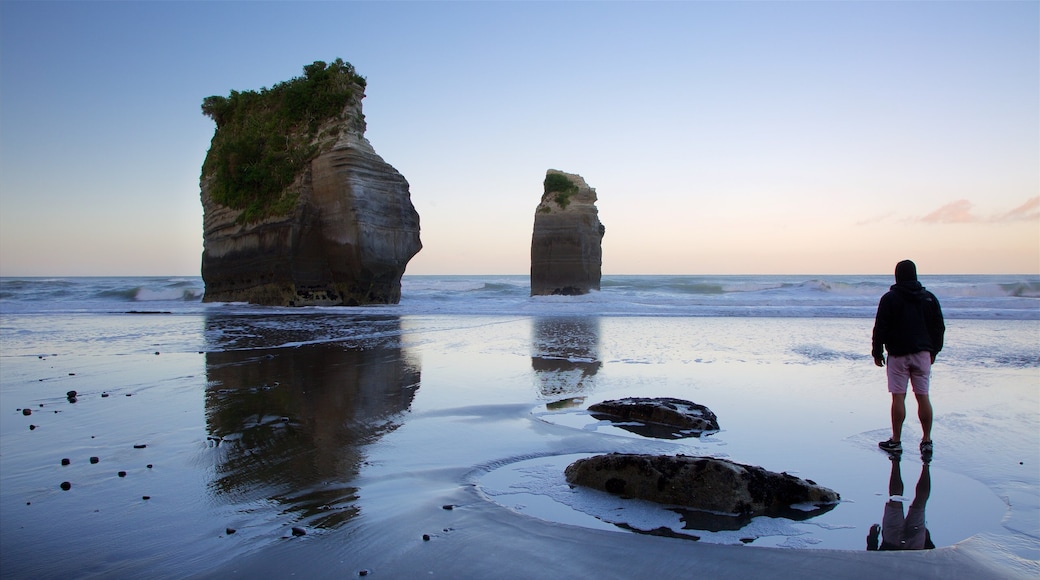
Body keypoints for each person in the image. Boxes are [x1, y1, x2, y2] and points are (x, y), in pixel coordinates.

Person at [871, 259, 945, 458]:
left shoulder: (890, 298)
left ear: (897, 275)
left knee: (898, 397)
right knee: (923, 397)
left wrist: (877, 351)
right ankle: (927, 440)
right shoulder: (928, 298)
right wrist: (934, 351)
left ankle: (896, 441)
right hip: (922, 354)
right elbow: (939, 327)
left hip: (898, 354)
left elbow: (881, 327)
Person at [866, 457, 935, 551]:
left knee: (920, 503)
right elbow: (872, 559)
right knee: (895, 499)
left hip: (915, 547)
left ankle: (926, 463)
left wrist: (927, 540)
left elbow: (930, 557)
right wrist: (872, 537)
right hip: (891, 542)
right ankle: (895, 459)